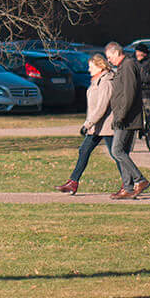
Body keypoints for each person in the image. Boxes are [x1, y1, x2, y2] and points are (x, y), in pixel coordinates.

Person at [56, 54, 115, 195]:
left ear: (100, 66)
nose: (89, 70)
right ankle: (73, 182)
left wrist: (87, 124)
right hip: (96, 127)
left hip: (105, 126)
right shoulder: (96, 80)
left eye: (91, 67)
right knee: (84, 150)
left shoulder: (106, 81)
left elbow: (102, 107)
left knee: (117, 155)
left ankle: (133, 181)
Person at [104, 41, 150, 199]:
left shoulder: (128, 65)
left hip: (127, 118)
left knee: (116, 150)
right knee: (121, 151)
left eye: (109, 57)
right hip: (123, 117)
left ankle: (140, 180)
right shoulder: (124, 66)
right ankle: (128, 188)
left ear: (117, 53)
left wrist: (121, 116)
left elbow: (129, 94)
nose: (109, 60)